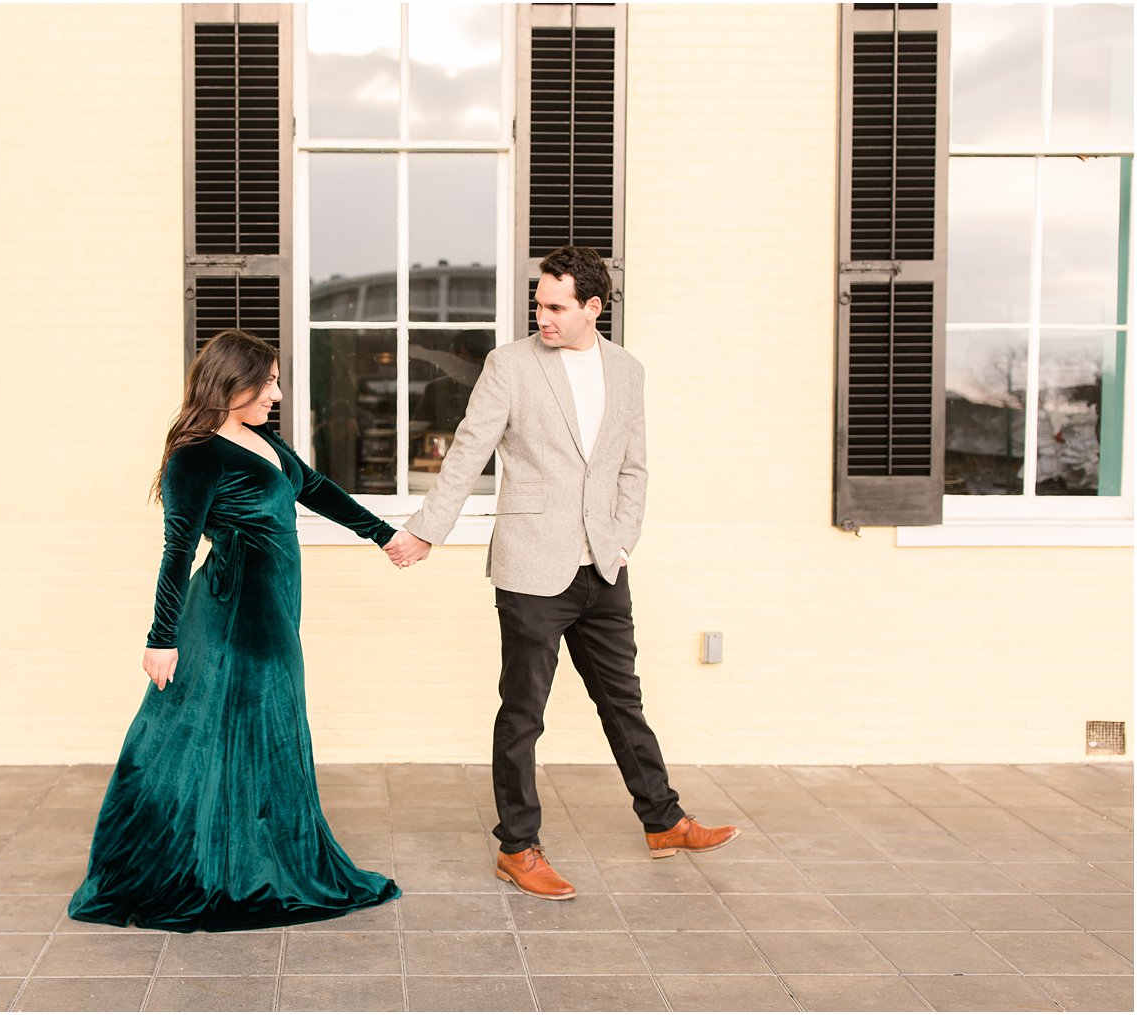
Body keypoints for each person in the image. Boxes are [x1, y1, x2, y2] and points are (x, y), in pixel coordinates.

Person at [385, 246, 739, 901]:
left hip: (603, 565)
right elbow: (468, 450)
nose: (541, 316)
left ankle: (662, 820)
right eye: (538, 304)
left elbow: (633, 466)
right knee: (523, 713)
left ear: (592, 308)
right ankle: (517, 847)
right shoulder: (510, 365)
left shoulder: (627, 371)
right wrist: (425, 529)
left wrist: (623, 538)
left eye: (555, 306)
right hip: (530, 564)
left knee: (623, 701)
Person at [69, 329, 400, 931]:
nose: (277, 392)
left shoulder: (263, 440)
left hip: (273, 605)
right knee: (215, 729)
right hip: (232, 609)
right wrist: (160, 636)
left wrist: (382, 534)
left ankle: (261, 853)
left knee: (260, 723)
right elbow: (177, 550)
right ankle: (215, 863)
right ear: (234, 383)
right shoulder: (196, 457)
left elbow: (317, 489)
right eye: (269, 380)